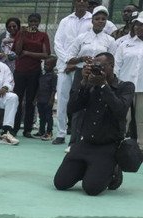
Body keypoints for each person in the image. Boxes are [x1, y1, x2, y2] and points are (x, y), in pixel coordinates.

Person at [54, 52, 133, 195]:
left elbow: (120, 111)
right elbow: (72, 109)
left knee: (92, 189)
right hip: (85, 143)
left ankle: (114, 169)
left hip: (107, 146)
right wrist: (83, 83)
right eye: (94, 66)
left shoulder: (125, 86)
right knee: (60, 183)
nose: (97, 69)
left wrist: (103, 85)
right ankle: (89, 169)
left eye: (100, 66)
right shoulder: (89, 85)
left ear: (111, 66)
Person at [65, 6, 118, 146]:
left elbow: (113, 61)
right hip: (83, 74)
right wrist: (81, 59)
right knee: (78, 107)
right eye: (97, 19)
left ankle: (93, 140)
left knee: (99, 105)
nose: (100, 21)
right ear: (92, 20)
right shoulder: (81, 38)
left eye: (103, 19)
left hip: (101, 77)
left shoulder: (110, 40)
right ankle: (74, 142)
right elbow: (69, 58)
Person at [53, 0, 92, 145]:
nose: (81, 2)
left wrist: (77, 64)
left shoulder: (92, 20)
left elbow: (92, 46)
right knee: (62, 100)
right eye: (78, 0)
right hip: (64, 66)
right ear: (74, 2)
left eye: (84, 0)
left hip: (83, 68)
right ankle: (61, 133)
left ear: (88, 3)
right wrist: (69, 60)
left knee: (80, 100)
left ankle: (77, 135)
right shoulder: (65, 21)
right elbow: (58, 43)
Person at [12, 13, 50, 138]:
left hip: (34, 71)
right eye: (31, 21)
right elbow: (17, 51)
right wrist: (22, 35)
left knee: (30, 101)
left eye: (36, 21)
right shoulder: (20, 33)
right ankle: (14, 127)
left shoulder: (43, 36)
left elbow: (46, 55)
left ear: (39, 22)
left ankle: (27, 129)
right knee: (17, 99)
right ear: (28, 22)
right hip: (20, 71)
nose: (33, 24)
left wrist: (27, 52)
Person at [114, 14, 143, 148]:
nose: (139, 27)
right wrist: (117, 85)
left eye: (142, 24)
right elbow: (116, 66)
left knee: (141, 119)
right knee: (124, 117)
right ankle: (118, 143)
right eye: (137, 24)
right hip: (125, 88)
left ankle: (141, 146)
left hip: (142, 88)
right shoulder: (125, 44)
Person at [35, 55, 58, 140]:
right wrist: (35, 98)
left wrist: (51, 100)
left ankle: (49, 132)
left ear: (53, 65)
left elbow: (54, 89)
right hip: (40, 99)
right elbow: (38, 87)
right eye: (45, 64)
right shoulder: (42, 75)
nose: (45, 66)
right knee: (41, 116)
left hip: (48, 100)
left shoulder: (54, 76)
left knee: (48, 116)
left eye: (48, 65)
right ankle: (41, 131)